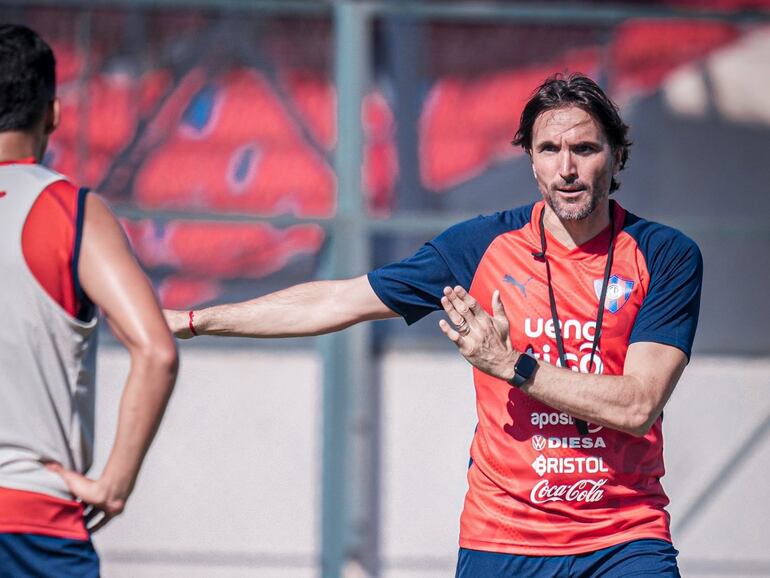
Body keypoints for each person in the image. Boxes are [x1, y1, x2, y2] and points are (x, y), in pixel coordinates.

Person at [165, 73, 702, 577]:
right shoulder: (479, 245)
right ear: (530, 161)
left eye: (584, 149)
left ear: (615, 154)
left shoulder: (665, 256)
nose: (567, 168)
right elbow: (336, 302)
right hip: (504, 539)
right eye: (549, 149)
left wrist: (511, 365)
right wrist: (196, 319)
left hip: (624, 536)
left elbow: (637, 405)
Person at [0, 24, 178, 577]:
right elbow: (156, 352)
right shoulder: (68, 212)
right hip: (30, 519)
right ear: (52, 114)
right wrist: (113, 485)